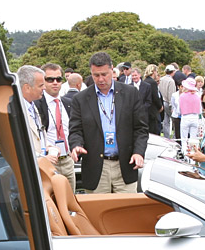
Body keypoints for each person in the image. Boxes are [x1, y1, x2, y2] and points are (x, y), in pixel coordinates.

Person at [68, 51, 147, 194]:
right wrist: (76, 145)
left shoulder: (131, 94)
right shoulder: (80, 99)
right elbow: (75, 130)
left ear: (112, 70)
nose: (100, 79)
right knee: (97, 214)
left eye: (104, 74)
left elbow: (141, 128)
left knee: (126, 213)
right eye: (96, 75)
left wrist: (138, 152)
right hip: (96, 168)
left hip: (125, 165)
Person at [37, 63, 75, 191]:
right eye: (50, 79)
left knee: (72, 202)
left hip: (68, 161)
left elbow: (74, 129)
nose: (55, 82)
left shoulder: (68, 103)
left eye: (58, 79)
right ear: (43, 81)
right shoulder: (36, 105)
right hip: (49, 161)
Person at [138, 64, 163, 135]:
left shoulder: (144, 81)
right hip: (153, 111)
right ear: (153, 72)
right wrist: (160, 106)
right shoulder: (152, 83)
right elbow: (155, 97)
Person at [178, 77, 203, 149]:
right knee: (193, 139)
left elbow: (179, 109)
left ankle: (185, 152)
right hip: (195, 117)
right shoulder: (197, 96)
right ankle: (193, 153)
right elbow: (200, 109)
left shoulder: (182, 96)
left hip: (185, 117)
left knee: (184, 139)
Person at [158, 65, 177, 138]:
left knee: (165, 121)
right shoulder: (171, 81)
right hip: (168, 102)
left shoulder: (161, 79)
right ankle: (175, 137)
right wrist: (172, 105)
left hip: (162, 102)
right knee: (174, 120)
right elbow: (171, 94)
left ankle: (166, 137)